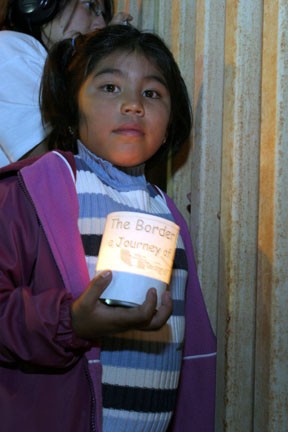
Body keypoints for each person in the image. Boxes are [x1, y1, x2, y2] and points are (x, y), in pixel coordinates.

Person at [0, 25, 216, 431]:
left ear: (171, 122)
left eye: (152, 93)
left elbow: (192, 352)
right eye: (110, 87)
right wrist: (72, 322)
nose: (133, 104)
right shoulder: (32, 193)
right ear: (72, 103)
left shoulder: (167, 216)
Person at [0, 0, 132, 166]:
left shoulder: (54, 72)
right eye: (90, 6)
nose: (102, 24)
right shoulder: (9, 49)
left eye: (104, 16)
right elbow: (48, 167)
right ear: (37, 4)